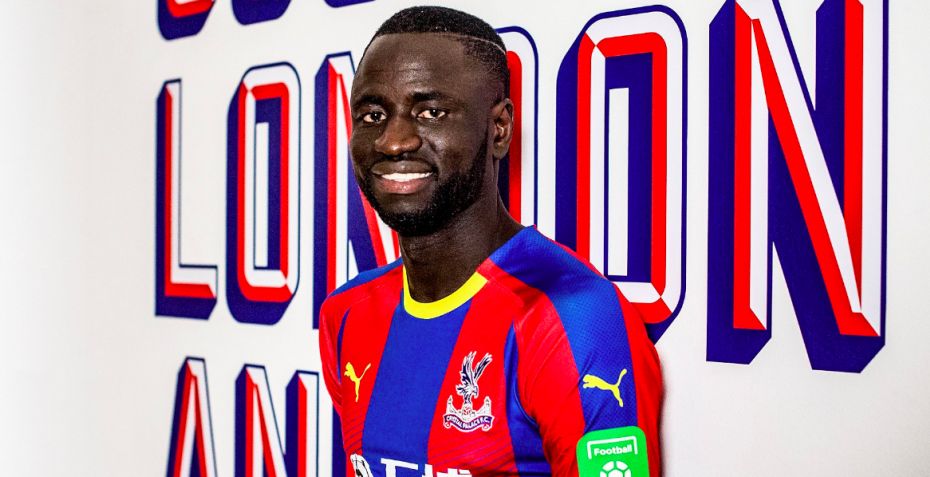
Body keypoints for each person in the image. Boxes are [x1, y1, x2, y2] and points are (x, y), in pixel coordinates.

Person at [319, 6, 662, 476]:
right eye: (373, 115)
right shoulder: (347, 315)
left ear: (499, 128)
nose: (393, 141)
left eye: (431, 112)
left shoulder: (572, 319)